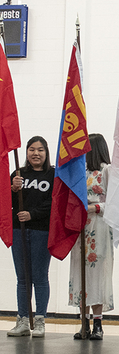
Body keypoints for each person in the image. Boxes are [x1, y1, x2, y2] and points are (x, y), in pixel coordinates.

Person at [7, 136, 54, 338]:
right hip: (19, 230)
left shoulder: (53, 174)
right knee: (22, 278)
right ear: (26, 152)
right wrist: (12, 189)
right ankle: (23, 320)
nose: (36, 153)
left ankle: (40, 320)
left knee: (40, 277)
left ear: (46, 152)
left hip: (42, 230)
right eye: (32, 149)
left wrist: (32, 214)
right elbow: (6, 203)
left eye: (40, 150)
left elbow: (54, 203)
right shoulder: (18, 174)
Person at [69, 133, 113, 340]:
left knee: (97, 274)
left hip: (99, 225)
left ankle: (98, 323)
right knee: (80, 272)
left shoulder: (107, 171)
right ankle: (83, 322)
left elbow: (114, 202)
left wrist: (95, 207)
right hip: (79, 227)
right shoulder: (79, 171)